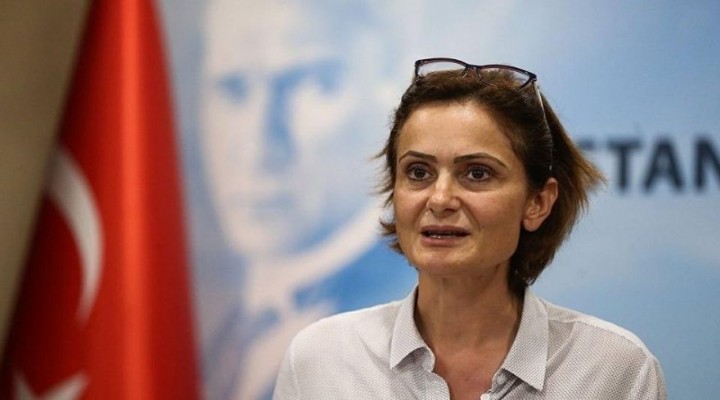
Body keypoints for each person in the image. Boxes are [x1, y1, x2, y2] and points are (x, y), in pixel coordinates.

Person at [272, 57, 667, 399]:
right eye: (418, 172)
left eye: (477, 173)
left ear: (537, 203)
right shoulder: (321, 359)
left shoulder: (612, 369)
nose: (440, 199)